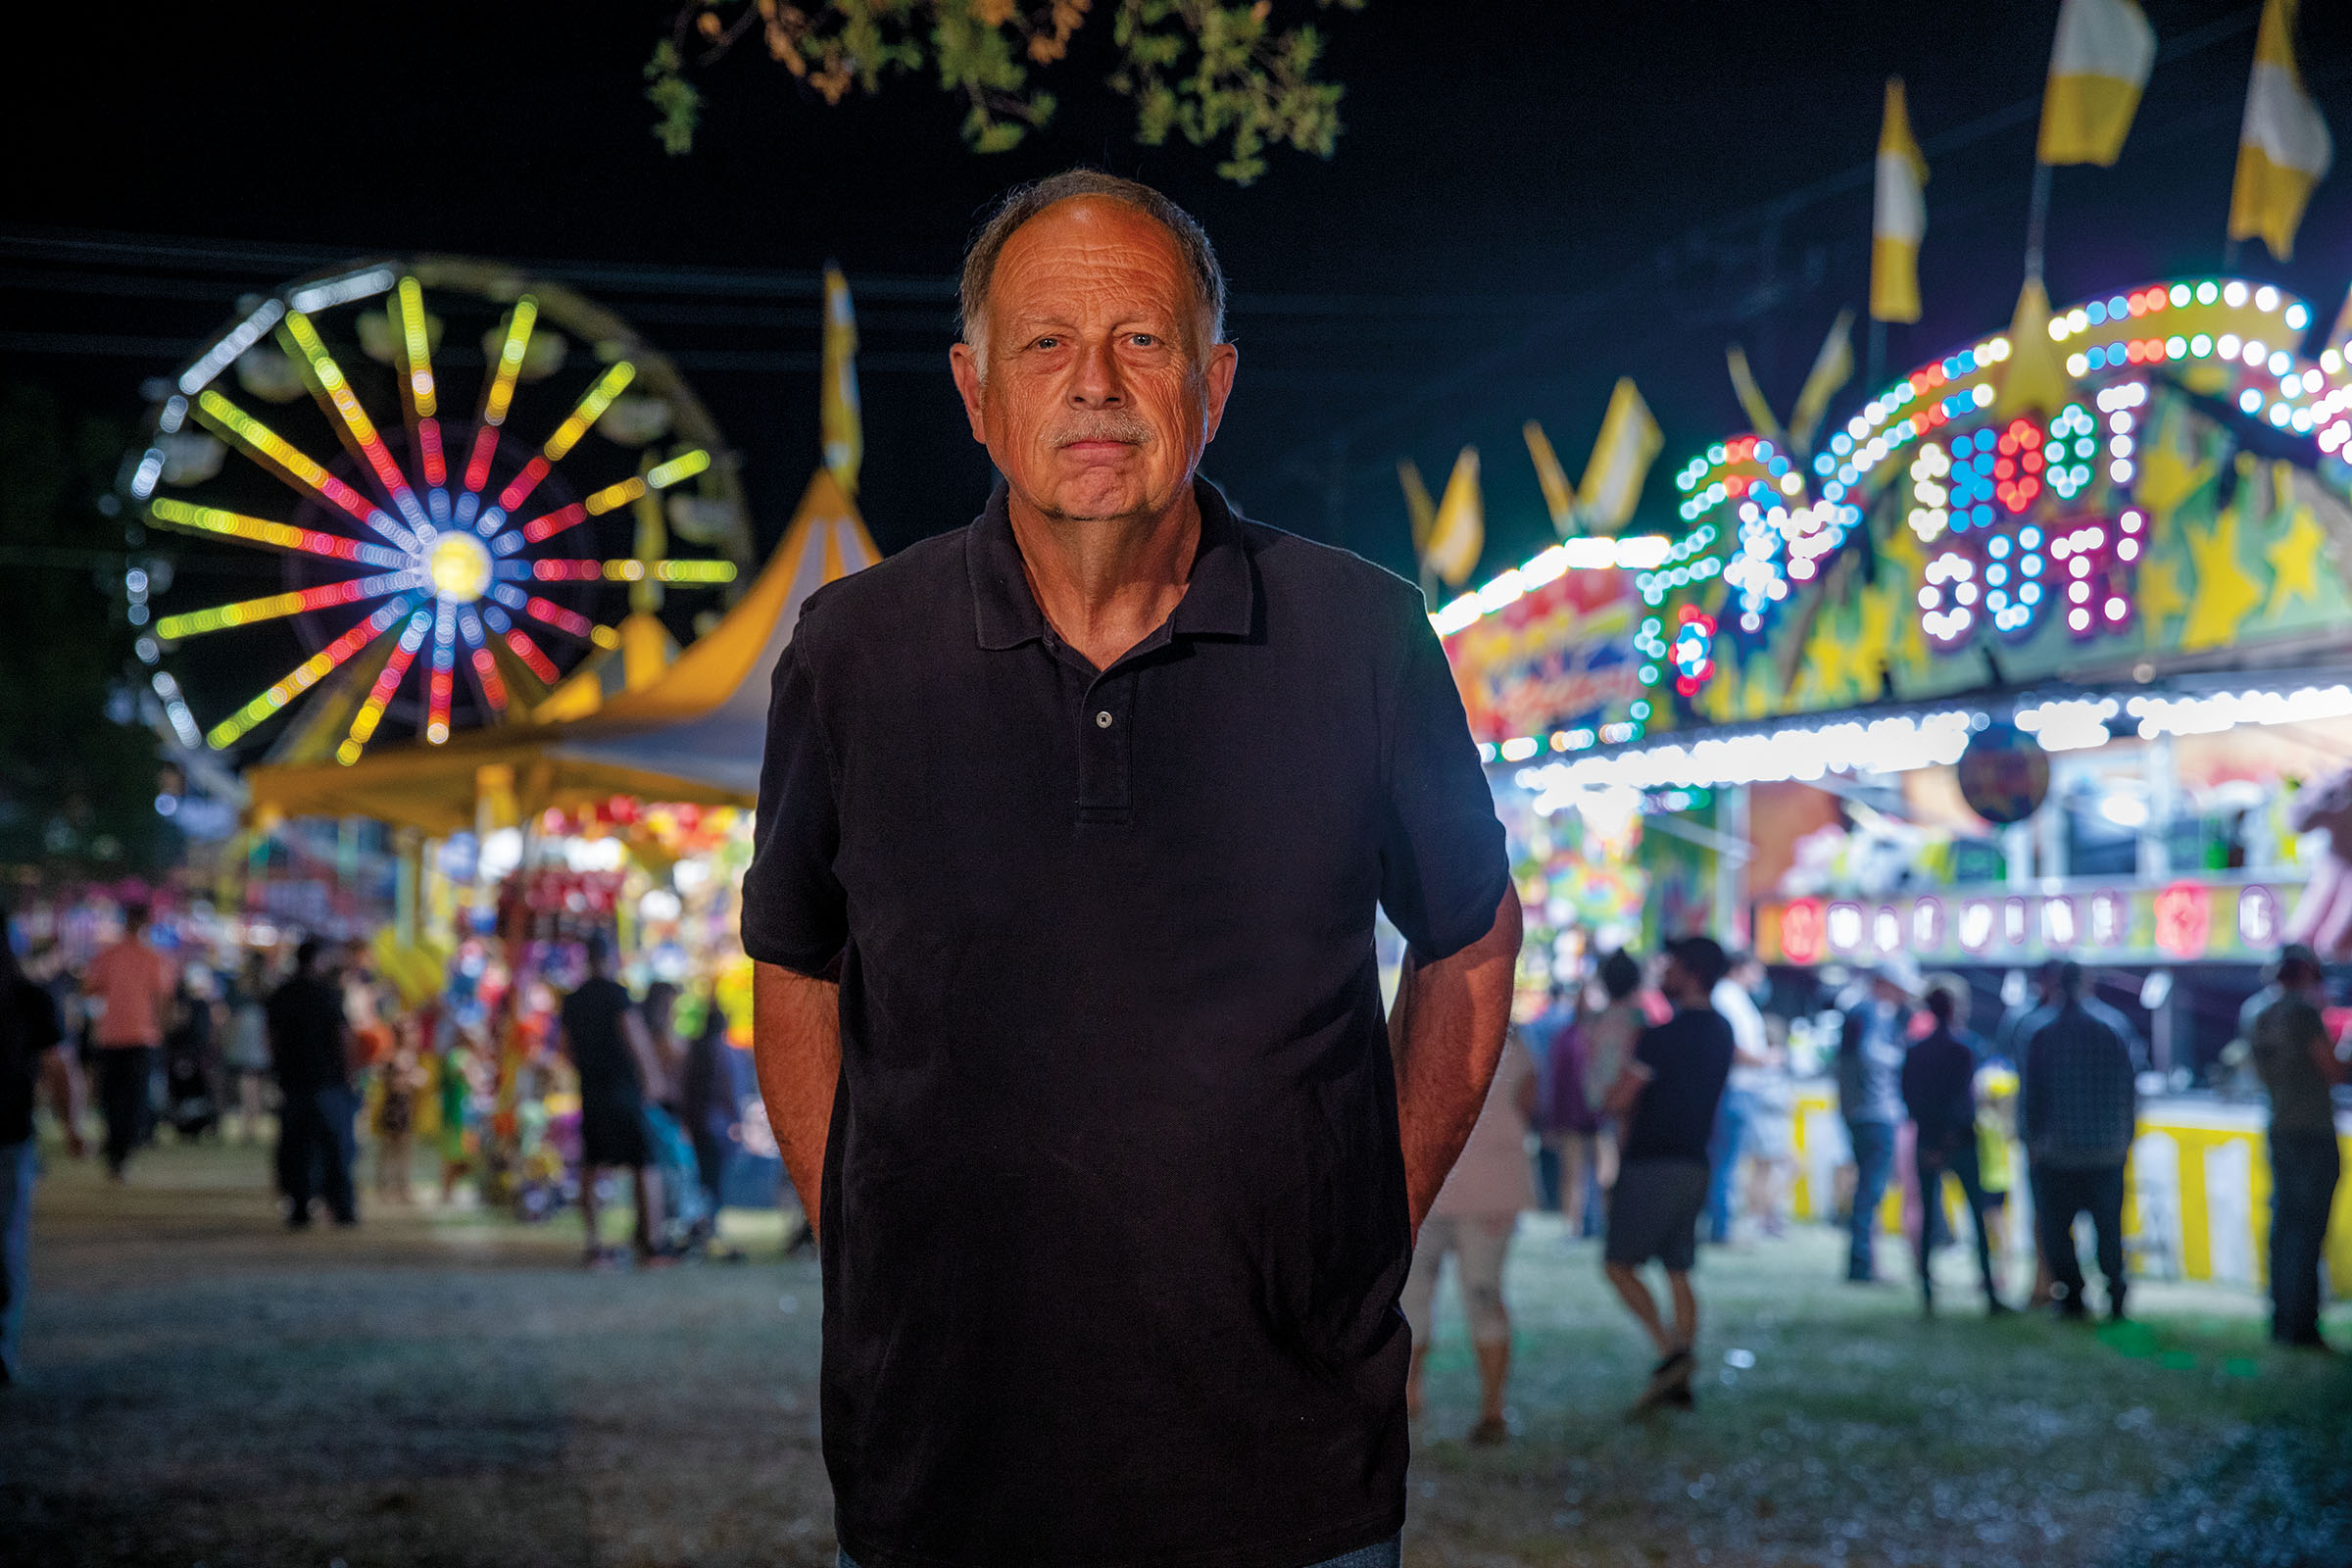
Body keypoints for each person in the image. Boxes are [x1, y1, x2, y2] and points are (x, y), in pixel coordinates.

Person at [742, 171, 1516, 1568]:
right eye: (1045, 344)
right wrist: (856, 1228)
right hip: (943, 1459)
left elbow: (1471, 938)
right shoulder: (854, 653)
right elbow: (791, 961)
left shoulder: (1362, 634)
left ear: (1212, 384)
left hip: (1286, 1472)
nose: (1094, 384)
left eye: (1142, 342)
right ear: (976, 392)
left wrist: (1368, 1215)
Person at [1601, 936, 1735, 1416]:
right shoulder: (1723, 1031)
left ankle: (1669, 1354)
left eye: (1673, 965)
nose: (1664, 972)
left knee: (1618, 1264)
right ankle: (1680, 1379)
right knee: (1679, 1268)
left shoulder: (1661, 1037)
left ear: (1692, 972)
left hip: (1652, 1161)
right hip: (1696, 1162)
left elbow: (1618, 1098)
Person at [1401, 1025, 1536, 1446]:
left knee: (1456, 1295)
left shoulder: (1424, 1031)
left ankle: (1479, 1407)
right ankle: (1476, 1406)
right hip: (1450, 1185)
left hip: (1458, 1186)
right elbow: (1528, 1102)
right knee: (1464, 1295)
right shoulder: (1512, 1043)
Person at [2019, 960, 2141, 1323]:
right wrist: (2125, 1138)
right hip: (2106, 1150)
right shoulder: (2113, 1027)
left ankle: (2073, 1297)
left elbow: (2032, 1097)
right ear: (2087, 983)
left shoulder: (2041, 1031)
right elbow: (2130, 1090)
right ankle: (2115, 1293)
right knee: (2109, 1230)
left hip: (2057, 1152)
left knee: (2058, 1233)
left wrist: (2031, 1142)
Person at [2244, 945, 2346, 1349]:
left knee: (2284, 1224)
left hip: (2280, 1125)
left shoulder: (2255, 1012)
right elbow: (2333, 1071)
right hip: (2312, 1130)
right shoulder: (2302, 1013)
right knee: (2308, 1228)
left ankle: (2281, 1317)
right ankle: (2303, 1324)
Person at [556, 935, 665, 1267]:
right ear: (613, 956)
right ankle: (651, 1245)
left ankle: (595, 1245)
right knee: (644, 1165)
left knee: (591, 1167)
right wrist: (653, 1082)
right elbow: (636, 1040)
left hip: (592, 1091)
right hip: (623, 1091)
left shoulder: (573, 1000)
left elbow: (565, 1051)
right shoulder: (618, 995)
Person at [3, 923, 81, 1385]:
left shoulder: (30, 998)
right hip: (10, 1132)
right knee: (7, 1241)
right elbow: (59, 1065)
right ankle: (2, 1346)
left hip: (11, 1133)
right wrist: (71, 1126)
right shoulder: (27, 997)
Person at [1901, 982, 2006, 1316]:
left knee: (1932, 1217)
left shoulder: (1915, 1051)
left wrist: (1932, 1141)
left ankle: (1927, 1292)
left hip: (1929, 1142)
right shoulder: (1966, 1048)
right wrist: (1949, 1138)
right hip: (1960, 1142)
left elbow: (1911, 1100)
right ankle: (1989, 1291)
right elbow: (1964, 1102)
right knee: (1977, 1216)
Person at [267, 938, 359, 1228]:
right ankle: (343, 1208)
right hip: (328, 1081)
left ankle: (300, 1207)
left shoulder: (282, 994)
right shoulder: (329, 994)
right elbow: (342, 1037)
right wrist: (349, 1074)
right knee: (336, 1148)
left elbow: (271, 1038)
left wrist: (280, 1067)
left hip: (294, 1081)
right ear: (318, 961)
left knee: (296, 1146)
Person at [1837, 958, 1917, 1283]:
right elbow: (1871, 1055)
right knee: (1871, 1191)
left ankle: (1865, 1261)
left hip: (1860, 1112)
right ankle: (1864, 1264)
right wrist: (1908, 1059)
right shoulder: (1870, 1011)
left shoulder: (1860, 1011)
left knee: (1868, 1190)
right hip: (1875, 1112)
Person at [81, 902, 175, 1179]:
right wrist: (162, 1029)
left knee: (112, 1097)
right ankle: (123, 1151)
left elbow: (89, 988)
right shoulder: (154, 958)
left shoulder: (108, 955)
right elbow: (163, 1000)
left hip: (111, 1036)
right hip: (141, 1037)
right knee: (133, 1098)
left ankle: (116, 1150)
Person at [1561, 950, 1643, 1238]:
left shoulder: (1592, 1022)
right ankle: (1613, 1227)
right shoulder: (1638, 1022)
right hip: (1624, 1106)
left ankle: (1575, 1228)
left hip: (1588, 1103)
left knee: (1580, 1171)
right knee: (1611, 1170)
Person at [1705, 952, 1771, 1244]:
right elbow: (1732, 1048)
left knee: (1729, 1161)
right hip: (1733, 1089)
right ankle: (1720, 1227)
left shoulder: (1736, 998)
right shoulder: (1726, 997)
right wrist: (1765, 1060)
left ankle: (1722, 1225)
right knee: (1725, 1162)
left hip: (1741, 1089)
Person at [220, 956, 272, 1142]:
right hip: (255, 1032)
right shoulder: (263, 985)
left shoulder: (243, 986)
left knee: (248, 1081)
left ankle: (250, 1125)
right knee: (252, 1081)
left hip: (247, 1032)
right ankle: (251, 1124)